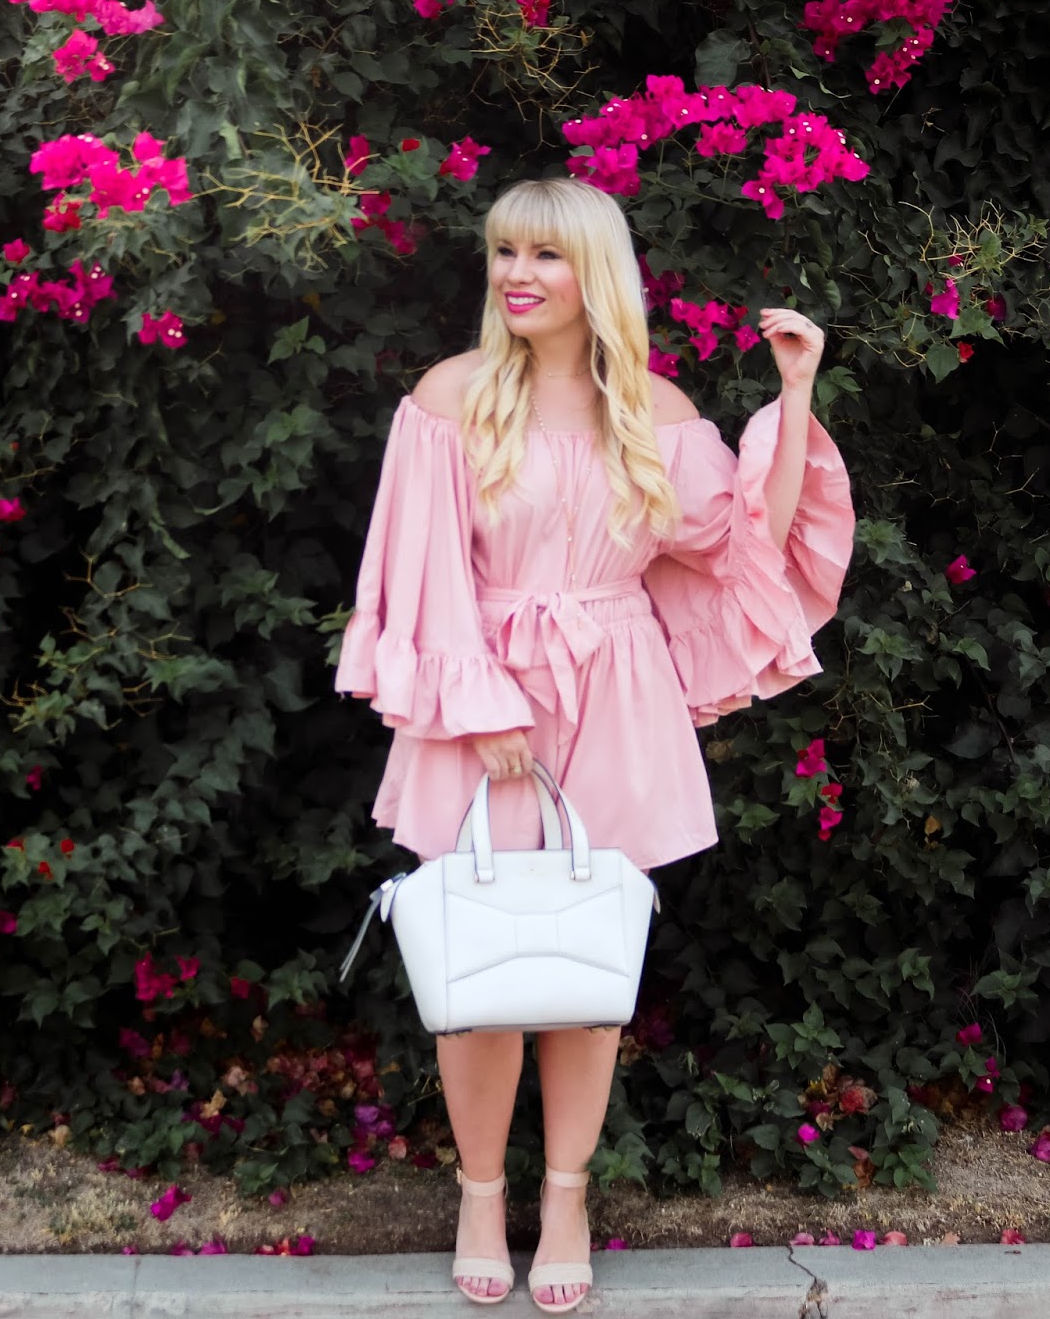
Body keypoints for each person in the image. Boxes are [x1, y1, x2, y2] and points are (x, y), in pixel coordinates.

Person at [334, 176, 855, 1312]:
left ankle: (564, 1198)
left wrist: (795, 392)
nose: (516, 275)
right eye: (504, 251)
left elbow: (741, 549)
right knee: (475, 959)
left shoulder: (653, 409)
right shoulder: (450, 397)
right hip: (482, 699)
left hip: (616, 692)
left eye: (545, 255)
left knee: (585, 969)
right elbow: (419, 570)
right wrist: (483, 708)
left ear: (595, 274)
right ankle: (481, 1198)